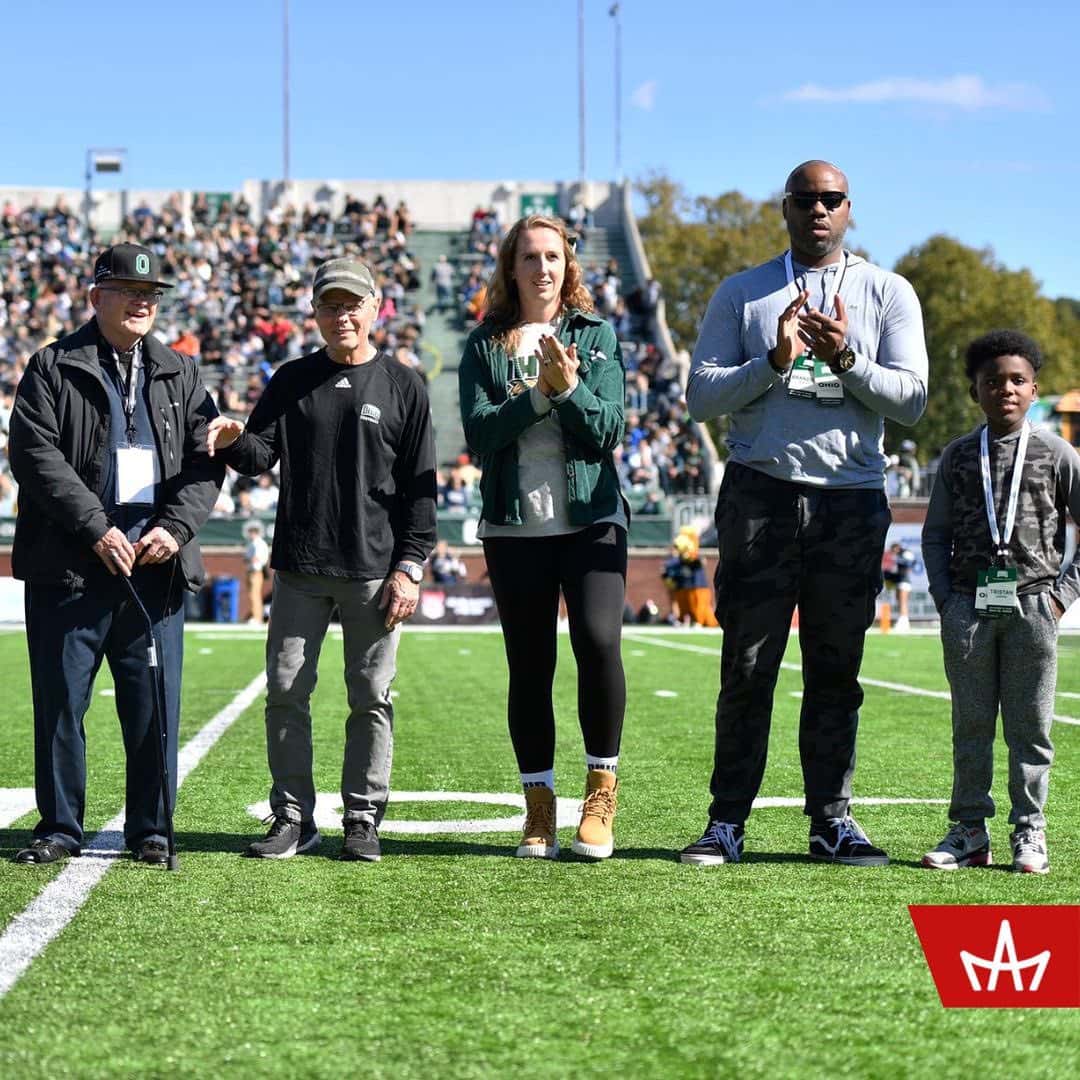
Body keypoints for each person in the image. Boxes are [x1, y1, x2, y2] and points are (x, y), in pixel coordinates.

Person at [679, 160, 929, 867]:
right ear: (784, 208)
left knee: (835, 668)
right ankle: (726, 822)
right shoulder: (743, 292)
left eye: (831, 200)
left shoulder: (888, 291)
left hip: (849, 502)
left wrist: (846, 356)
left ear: (849, 208)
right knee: (748, 665)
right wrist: (774, 359)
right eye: (805, 200)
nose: (819, 210)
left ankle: (831, 822)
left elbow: (911, 401)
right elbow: (701, 397)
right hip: (761, 493)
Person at [208, 257, 436, 863]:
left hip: (374, 571)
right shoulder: (290, 379)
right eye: (330, 305)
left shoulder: (404, 385)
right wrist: (233, 438)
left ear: (375, 307)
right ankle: (292, 817)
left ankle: (362, 817)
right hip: (299, 569)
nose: (342, 315)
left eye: (352, 303)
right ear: (314, 312)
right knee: (285, 693)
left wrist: (410, 565)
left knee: (371, 698)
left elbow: (421, 487)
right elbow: (259, 456)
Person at [8, 242, 224, 865]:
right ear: (96, 296)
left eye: (152, 295)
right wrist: (96, 527)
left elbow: (207, 464)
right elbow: (34, 455)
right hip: (73, 567)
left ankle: (151, 829)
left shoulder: (181, 372)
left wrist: (176, 531)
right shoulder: (51, 365)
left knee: (153, 706)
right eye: (129, 291)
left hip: (153, 569)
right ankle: (60, 827)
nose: (142, 303)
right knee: (59, 705)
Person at [458, 214, 628, 861]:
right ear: (511, 267)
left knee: (597, 639)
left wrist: (572, 388)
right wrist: (538, 396)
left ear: (568, 264)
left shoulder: (597, 335)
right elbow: (479, 436)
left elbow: (608, 429)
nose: (542, 267)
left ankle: (600, 795)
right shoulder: (485, 344)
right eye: (529, 256)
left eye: (553, 256)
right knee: (530, 666)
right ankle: (538, 810)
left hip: (591, 518)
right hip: (514, 525)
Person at [921, 330, 1080, 874]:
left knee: (1030, 727)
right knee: (970, 725)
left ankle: (1029, 830)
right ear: (975, 392)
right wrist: (945, 599)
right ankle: (968, 830)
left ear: (1034, 388)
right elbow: (934, 533)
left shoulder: (1058, 453)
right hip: (968, 607)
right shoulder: (960, 456)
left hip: (1035, 605)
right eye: (993, 381)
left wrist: (1062, 597)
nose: (1005, 389)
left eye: (1017, 380)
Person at [661, 527, 719, 627]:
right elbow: (667, 569)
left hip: (697, 586)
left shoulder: (693, 557)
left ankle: (700, 621)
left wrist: (689, 556)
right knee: (684, 605)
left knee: (699, 606)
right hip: (684, 586)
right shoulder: (677, 560)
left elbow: (701, 562)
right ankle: (685, 620)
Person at [882, 540, 916, 631]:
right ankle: (902, 620)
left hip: (904, 582)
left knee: (903, 602)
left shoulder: (905, 553)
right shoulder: (897, 556)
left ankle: (904, 622)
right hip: (899, 581)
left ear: (897, 548)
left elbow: (910, 562)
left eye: (894, 550)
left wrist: (897, 559)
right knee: (899, 601)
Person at [244, 520, 270, 624]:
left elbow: (256, 558)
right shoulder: (253, 543)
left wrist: (248, 559)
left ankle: (257, 617)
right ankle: (256, 616)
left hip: (256, 571)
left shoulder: (258, 543)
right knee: (252, 595)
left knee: (255, 595)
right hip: (252, 571)